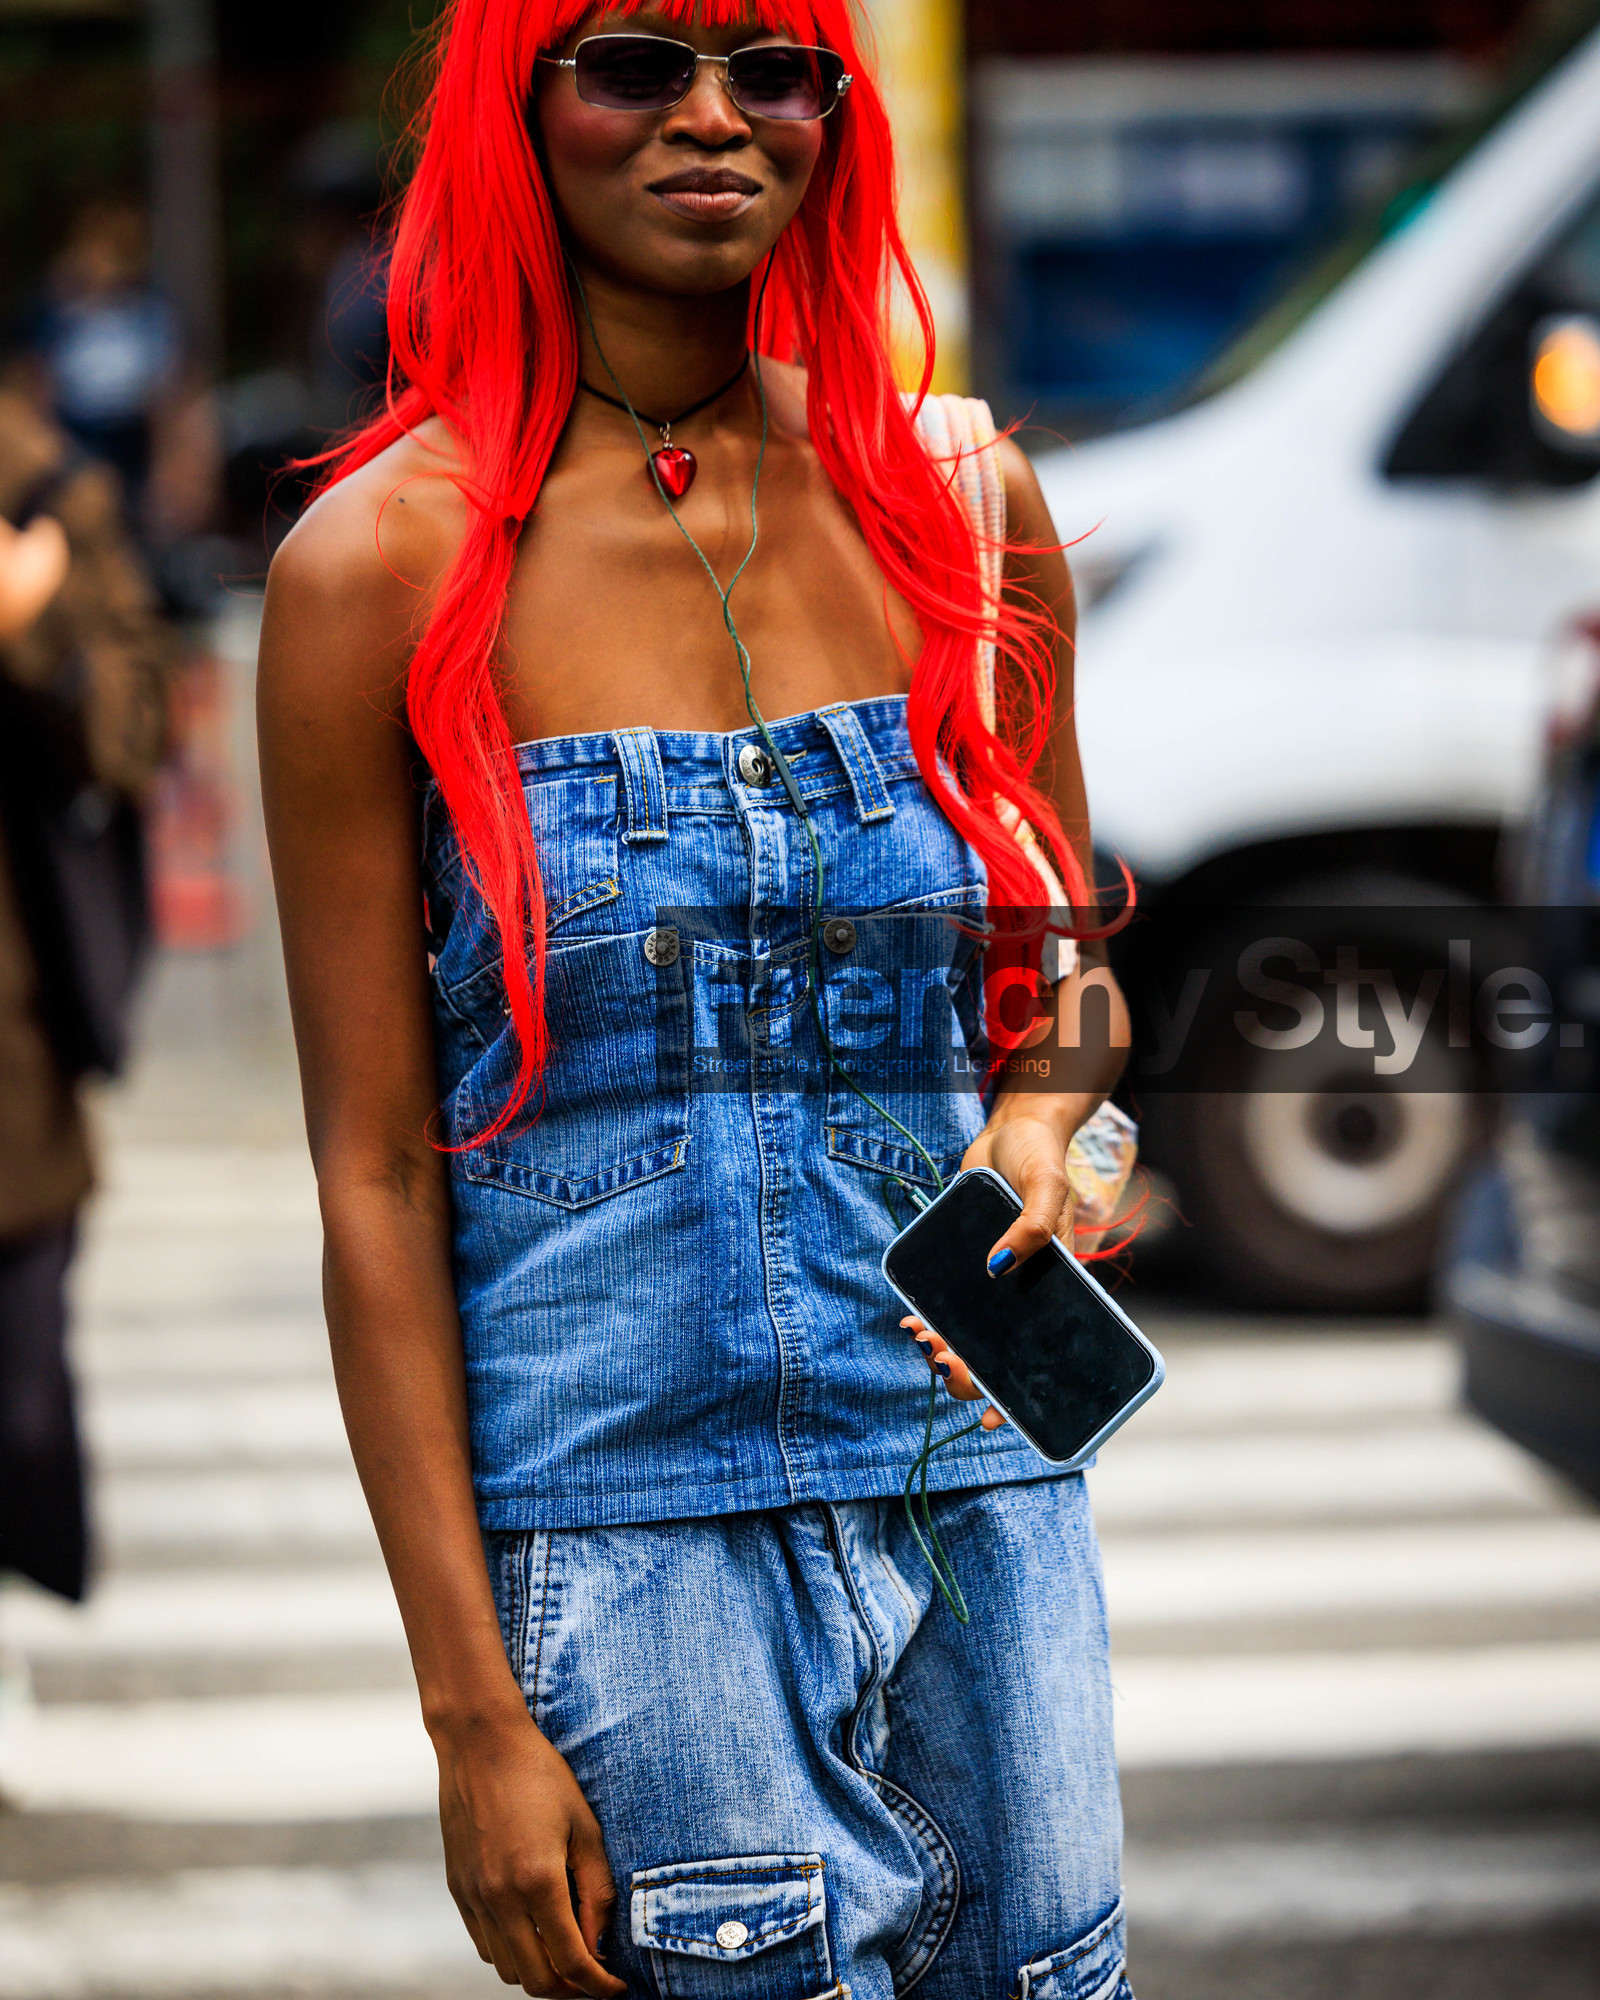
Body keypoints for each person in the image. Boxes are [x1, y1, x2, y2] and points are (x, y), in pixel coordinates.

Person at [258, 7, 1134, 1999]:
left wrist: (1035, 1116)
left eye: (774, 66)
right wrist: (469, 1714)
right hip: (630, 1557)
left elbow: (1057, 961)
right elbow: (374, 1180)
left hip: (978, 1496)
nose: (713, 116)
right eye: (636, 61)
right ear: (518, 102)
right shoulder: (371, 576)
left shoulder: (954, 495)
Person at [0, 387, 172, 1605]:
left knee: (16, 1405)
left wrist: (30, 622)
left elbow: (133, 732)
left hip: (10, 1064)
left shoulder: (43, 492)